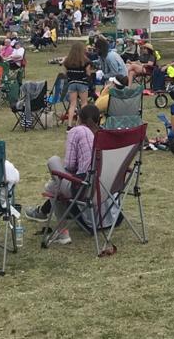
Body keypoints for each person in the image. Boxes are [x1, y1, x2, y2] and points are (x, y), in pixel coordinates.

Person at [24, 104, 103, 246]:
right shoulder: (105, 135)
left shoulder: (78, 131)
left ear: (79, 118)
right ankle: (43, 210)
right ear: (99, 120)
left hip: (84, 189)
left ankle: (62, 232)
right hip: (106, 188)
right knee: (58, 182)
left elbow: (70, 165)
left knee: (54, 165)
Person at [61, 42, 94, 126]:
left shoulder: (67, 61)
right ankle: (79, 123)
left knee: (72, 104)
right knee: (84, 103)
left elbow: (65, 74)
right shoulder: (86, 61)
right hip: (82, 83)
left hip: (72, 83)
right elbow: (88, 74)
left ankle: (69, 125)